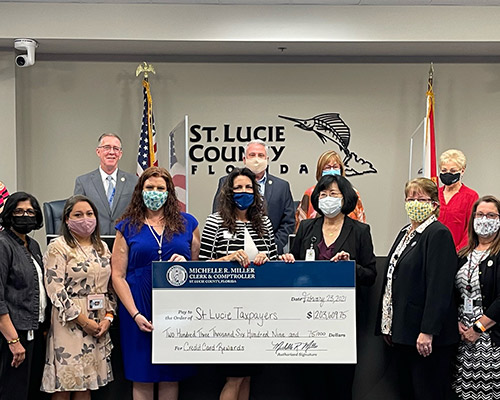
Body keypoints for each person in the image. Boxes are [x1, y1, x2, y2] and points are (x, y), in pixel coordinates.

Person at [281, 174, 376, 400]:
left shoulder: (360, 231)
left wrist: (350, 266)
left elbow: (370, 274)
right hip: (306, 318)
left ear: (346, 199)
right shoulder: (305, 227)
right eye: (323, 194)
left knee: (340, 384)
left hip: (342, 321)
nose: (327, 199)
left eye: (333, 194)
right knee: (311, 384)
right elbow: (294, 267)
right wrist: (288, 262)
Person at [111, 166, 200, 400]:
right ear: (140, 191)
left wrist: (186, 264)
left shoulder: (188, 223)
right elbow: (117, 275)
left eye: (161, 188)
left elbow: (197, 270)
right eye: (149, 188)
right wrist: (135, 314)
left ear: (170, 192)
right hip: (137, 306)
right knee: (142, 375)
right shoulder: (127, 226)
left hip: (174, 307)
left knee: (170, 374)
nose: (155, 192)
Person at [376, 178, 459, 400]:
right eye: (410, 198)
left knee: (426, 391)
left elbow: (439, 288)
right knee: (407, 391)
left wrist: (427, 331)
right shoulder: (406, 232)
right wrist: (388, 323)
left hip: (425, 337)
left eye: (421, 199)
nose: (414, 203)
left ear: (434, 204)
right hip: (403, 331)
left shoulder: (438, 233)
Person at [200, 167, 278, 400]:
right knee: (233, 376)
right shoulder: (215, 222)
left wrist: (267, 259)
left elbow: (274, 262)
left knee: (247, 375)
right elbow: (203, 265)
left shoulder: (264, 223)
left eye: (248, 187)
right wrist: (227, 258)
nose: (243, 192)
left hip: (258, 310)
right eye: (238, 188)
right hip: (226, 311)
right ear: (229, 192)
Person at [41, 195, 116, 398]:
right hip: (70, 322)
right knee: (67, 384)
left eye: (90, 214)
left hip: (99, 323)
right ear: (67, 219)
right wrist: (83, 321)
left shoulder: (102, 247)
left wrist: (108, 318)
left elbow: (111, 287)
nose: (85, 218)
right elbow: (55, 289)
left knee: (87, 385)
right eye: (78, 214)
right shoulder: (58, 247)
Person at [0, 192, 48, 400]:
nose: (25, 215)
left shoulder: (33, 245)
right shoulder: (3, 244)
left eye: (30, 211)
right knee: (14, 392)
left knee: (32, 392)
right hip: (13, 334)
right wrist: (13, 341)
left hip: (34, 331)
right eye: (19, 211)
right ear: (9, 214)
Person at [453, 195, 500, 400]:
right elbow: (453, 294)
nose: (484, 219)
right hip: (463, 339)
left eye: (491, 215)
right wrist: (457, 322)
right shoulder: (464, 254)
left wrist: (479, 328)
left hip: (490, 337)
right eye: (480, 214)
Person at [212, 139, 294, 253]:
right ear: (244, 159)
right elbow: (219, 214)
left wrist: (271, 248)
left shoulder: (282, 186)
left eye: (261, 155)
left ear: (267, 160)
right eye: (252, 155)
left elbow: (288, 222)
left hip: (269, 254)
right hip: (233, 251)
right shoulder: (226, 182)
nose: (256, 159)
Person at [74, 133, 138, 235]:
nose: (111, 152)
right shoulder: (83, 182)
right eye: (107, 147)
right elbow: (78, 216)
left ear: (120, 154)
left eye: (116, 149)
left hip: (125, 241)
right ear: (98, 152)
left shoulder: (134, 181)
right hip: (93, 241)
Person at [295, 149, 366, 231]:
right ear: (320, 171)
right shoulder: (310, 193)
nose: (332, 170)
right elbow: (300, 226)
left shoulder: (352, 192)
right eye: (328, 167)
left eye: (335, 167)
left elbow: (361, 222)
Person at [438, 149, 479, 252]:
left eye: (452, 171)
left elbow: (470, 230)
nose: (448, 174)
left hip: (457, 254)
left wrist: (457, 253)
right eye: (444, 170)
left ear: (462, 170)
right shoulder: (434, 194)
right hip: (431, 253)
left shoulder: (471, 196)